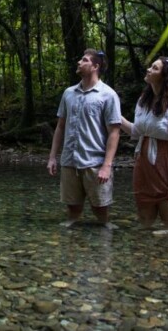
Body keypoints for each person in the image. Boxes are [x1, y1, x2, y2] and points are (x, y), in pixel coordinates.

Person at [47, 49, 121, 228]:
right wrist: (52, 157)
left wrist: (106, 165)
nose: (79, 62)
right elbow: (60, 126)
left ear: (95, 66)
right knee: (72, 208)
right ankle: (72, 247)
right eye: (81, 59)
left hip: (95, 162)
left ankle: (105, 246)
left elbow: (114, 132)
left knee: (101, 209)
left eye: (85, 60)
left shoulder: (108, 95)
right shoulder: (68, 93)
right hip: (70, 160)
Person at [120, 56, 168, 231]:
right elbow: (137, 131)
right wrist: (116, 117)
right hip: (144, 168)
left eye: (155, 68)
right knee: (144, 220)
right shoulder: (143, 101)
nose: (149, 70)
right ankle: (148, 256)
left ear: (166, 76)